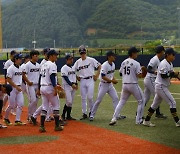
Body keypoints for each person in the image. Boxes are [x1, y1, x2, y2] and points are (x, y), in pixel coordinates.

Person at [143, 48, 180, 127]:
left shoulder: (169, 63)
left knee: (155, 105)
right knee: (172, 103)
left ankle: (146, 121)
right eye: (173, 55)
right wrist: (173, 74)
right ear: (168, 55)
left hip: (161, 86)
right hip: (161, 86)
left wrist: (177, 75)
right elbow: (163, 75)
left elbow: (171, 73)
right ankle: (177, 122)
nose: (174, 56)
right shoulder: (163, 63)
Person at [109, 47, 145, 125]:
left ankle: (114, 118)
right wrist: (142, 72)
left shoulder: (124, 62)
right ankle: (138, 120)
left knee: (121, 101)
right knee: (141, 101)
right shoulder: (136, 63)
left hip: (125, 85)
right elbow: (139, 75)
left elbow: (120, 73)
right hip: (133, 84)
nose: (137, 54)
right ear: (132, 53)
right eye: (136, 53)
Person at [90, 51, 126, 121]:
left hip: (110, 85)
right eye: (113, 56)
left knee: (115, 98)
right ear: (109, 57)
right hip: (103, 85)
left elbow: (111, 75)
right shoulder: (105, 65)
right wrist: (112, 81)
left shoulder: (113, 64)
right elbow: (103, 76)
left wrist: (113, 80)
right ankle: (92, 115)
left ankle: (117, 115)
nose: (114, 57)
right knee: (98, 100)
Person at [73, 45, 101, 120]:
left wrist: (97, 75)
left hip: (90, 79)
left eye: (84, 53)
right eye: (81, 53)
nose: (83, 54)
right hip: (82, 80)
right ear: (79, 54)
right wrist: (76, 76)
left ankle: (91, 112)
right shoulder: (78, 62)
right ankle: (84, 113)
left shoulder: (91, 60)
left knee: (90, 97)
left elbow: (99, 66)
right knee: (83, 98)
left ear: (86, 52)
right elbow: (73, 70)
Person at [39, 50, 63, 132]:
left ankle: (42, 126)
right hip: (49, 87)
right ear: (51, 56)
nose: (57, 57)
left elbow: (41, 77)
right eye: (55, 55)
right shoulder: (52, 65)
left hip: (43, 87)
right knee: (56, 106)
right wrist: (55, 88)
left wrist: (39, 88)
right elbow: (52, 77)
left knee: (45, 106)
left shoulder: (43, 64)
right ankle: (57, 126)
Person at [144, 45, 167, 119]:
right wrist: (154, 72)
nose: (164, 53)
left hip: (149, 79)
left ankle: (138, 113)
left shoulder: (157, 59)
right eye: (163, 51)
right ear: (161, 52)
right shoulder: (154, 59)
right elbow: (148, 69)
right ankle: (158, 113)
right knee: (158, 95)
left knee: (146, 98)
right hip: (150, 79)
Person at [4, 54, 26, 126]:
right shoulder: (11, 68)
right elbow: (8, 80)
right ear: (16, 59)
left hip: (18, 88)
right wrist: (16, 87)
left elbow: (22, 77)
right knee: (11, 105)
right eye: (20, 59)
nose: (21, 60)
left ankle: (17, 120)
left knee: (21, 104)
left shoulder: (20, 68)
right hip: (11, 88)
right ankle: (6, 118)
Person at [23, 50, 40, 122]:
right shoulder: (28, 65)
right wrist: (28, 81)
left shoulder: (38, 65)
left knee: (36, 101)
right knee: (32, 100)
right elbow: (23, 74)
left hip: (37, 84)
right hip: (30, 85)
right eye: (36, 55)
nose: (37, 57)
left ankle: (33, 116)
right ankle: (30, 116)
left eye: (37, 55)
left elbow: (40, 76)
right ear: (32, 56)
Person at [61, 54, 78, 120]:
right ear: (67, 60)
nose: (71, 60)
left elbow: (74, 76)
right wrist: (71, 84)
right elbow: (65, 77)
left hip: (73, 86)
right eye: (70, 59)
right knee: (69, 101)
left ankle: (68, 116)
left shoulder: (73, 67)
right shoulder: (64, 68)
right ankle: (63, 115)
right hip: (67, 86)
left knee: (71, 102)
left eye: (72, 59)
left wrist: (76, 84)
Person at [3, 50, 16, 115]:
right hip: (9, 81)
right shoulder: (8, 62)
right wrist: (6, 82)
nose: (15, 56)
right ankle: (3, 106)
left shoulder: (16, 62)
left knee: (10, 96)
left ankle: (13, 109)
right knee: (7, 95)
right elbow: (6, 73)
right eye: (14, 54)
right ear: (11, 55)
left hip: (15, 82)